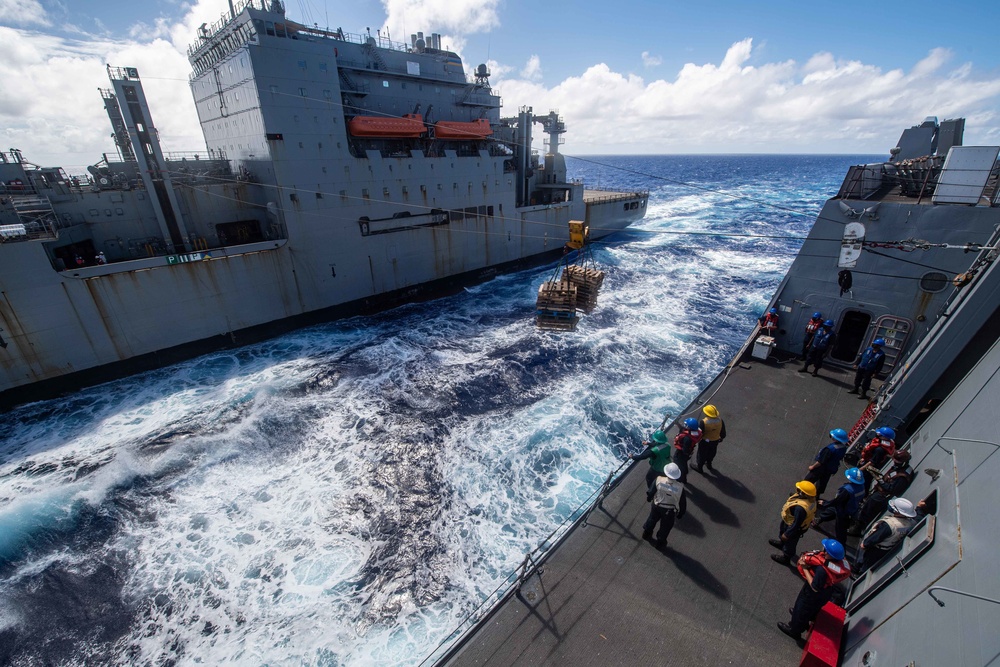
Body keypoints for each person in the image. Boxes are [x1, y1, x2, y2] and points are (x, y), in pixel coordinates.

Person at [777, 539, 851, 640]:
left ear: (828, 554)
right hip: (826, 592)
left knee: (801, 608)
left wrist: (805, 568)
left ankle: (794, 630)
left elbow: (814, 587)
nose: (822, 548)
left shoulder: (822, 570)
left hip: (813, 593)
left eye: (825, 548)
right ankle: (801, 619)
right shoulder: (836, 564)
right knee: (811, 610)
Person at [853, 449, 914, 532]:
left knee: (867, 512)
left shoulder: (902, 476)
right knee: (865, 507)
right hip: (879, 491)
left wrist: (879, 480)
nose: (894, 462)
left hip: (882, 496)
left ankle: (856, 529)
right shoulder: (900, 468)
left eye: (896, 461)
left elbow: (891, 489)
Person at [854, 498, 917, 575]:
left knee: (865, 562)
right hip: (886, 548)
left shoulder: (889, 525)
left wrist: (865, 544)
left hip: (875, 548)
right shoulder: (909, 523)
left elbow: (877, 536)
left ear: (898, 512)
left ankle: (858, 572)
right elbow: (899, 531)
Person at [811, 467, 866, 544]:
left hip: (844, 511)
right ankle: (819, 519)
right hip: (850, 507)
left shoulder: (848, 490)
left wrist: (825, 504)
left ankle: (841, 546)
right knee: (831, 511)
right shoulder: (862, 487)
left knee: (840, 530)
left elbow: (837, 501)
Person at [769, 480, 817, 565]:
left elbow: (796, 523)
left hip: (793, 527)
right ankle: (782, 543)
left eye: (799, 490)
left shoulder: (800, 509)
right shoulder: (810, 500)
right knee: (782, 532)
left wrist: (787, 534)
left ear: (804, 493)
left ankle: (786, 558)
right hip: (789, 521)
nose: (797, 491)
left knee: (790, 544)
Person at [642, 462, 687, 548]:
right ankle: (660, 543)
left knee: (652, 519)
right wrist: (681, 513)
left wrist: (649, 498)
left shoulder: (659, 480)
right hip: (669, 511)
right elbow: (682, 503)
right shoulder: (680, 488)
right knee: (665, 527)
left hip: (657, 505)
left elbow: (651, 491)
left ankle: (646, 533)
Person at [803, 428, 850, 496]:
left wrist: (812, 467)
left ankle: (801, 494)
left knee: (807, 481)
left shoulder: (830, 449)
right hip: (830, 470)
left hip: (821, 469)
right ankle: (815, 498)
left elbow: (821, 462)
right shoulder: (843, 448)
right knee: (820, 485)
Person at [859, 427, 896, 493]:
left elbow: (872, 462)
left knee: (864, 481)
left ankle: (862, 496)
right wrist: (863, 458)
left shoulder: (880, 450)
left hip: (869, 467)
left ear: (885, 438)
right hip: (867, 460)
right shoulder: (880, 441)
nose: (878, 435)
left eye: (880, 434)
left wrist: (861, 469)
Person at [694, 404, 726, 473]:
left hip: (705, 441)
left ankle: (699, 467)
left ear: (706, 413)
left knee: (702, 454)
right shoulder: (720, 420)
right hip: (715, 441)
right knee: (712, 453)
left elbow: (699, 433)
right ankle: (709, 464)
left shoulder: (703, 422)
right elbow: (723, 433)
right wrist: (721, 438)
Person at [671, 417, 701, 483]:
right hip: (688, 453)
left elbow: (685, 450)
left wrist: (679, 447)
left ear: (689, 427)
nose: (684, 425)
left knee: (680, 465)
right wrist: (677, 424)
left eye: (686, 424)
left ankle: (681, 479)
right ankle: (684, 474)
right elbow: (684, 429)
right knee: (684, 464)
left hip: (681, 455)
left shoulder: (687, 439)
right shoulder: (694, 432)